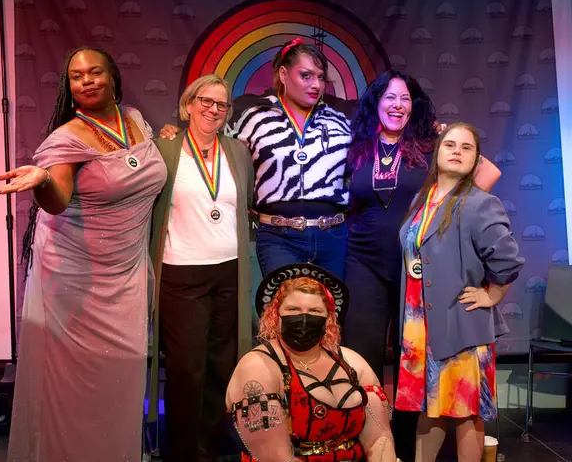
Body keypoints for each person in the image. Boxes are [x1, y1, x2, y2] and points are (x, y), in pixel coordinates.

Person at [0, 47, 167, 461]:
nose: (86, 80)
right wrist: (40, 181)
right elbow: (57, 201)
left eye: (94, 72)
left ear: (114, 77)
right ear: (68, 87)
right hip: (76, 282)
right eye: (76, 76)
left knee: (118, 384)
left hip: (126, 275)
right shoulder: (66, 139)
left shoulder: (136, 122)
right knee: (76, 390)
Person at [343, 70, 502, 461]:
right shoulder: (358, 147)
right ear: (376, 104)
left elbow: (488, 171)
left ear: (415, 107)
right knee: (360, 355)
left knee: (409, 358)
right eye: (389, 98)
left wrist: (455, 211)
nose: (397, 106)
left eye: (405, 99)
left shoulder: (431, 143)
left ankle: (399, 445)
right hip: (362, 260)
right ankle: (368, 444)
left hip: (415, 267)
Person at [161, 39, 352, 278]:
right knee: (284, 311)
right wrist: (181, 135)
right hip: (279, 238)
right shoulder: (254, 118)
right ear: (283, 74)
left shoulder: (340, 122)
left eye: (321, 78)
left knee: (330, 312)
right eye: (306, 75)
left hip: (332, 238)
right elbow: (214, 144)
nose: (316, 85)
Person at [394, 122, 523, 461]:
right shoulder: (422, 199)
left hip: (459, 322)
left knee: (466, 412)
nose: (456, 151)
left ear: (475, 159)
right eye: (450, 144)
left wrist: (492, 296)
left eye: (466, 148)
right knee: (429, 407)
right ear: (436, 152)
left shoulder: (480, 203)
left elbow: (508, 260)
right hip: (420, 326)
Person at [149, 74, 254, 462]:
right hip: (182, 273)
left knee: (221, 363)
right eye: (206, 101)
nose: (213, 109)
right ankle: (183, 450)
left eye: (221, 104)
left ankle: (211, 444)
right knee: (185, 367)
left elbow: (246, 203)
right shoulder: (165, 149)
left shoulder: (238, 152)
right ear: (188, 104)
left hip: (229, 271)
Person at [226, 263, 398, 462]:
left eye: (315, 311)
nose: (304, 318)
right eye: (293, 309)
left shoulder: (352, 362)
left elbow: (380, 439)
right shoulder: (258, 366)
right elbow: (276, 458)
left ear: (328, 319)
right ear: (276, 315)